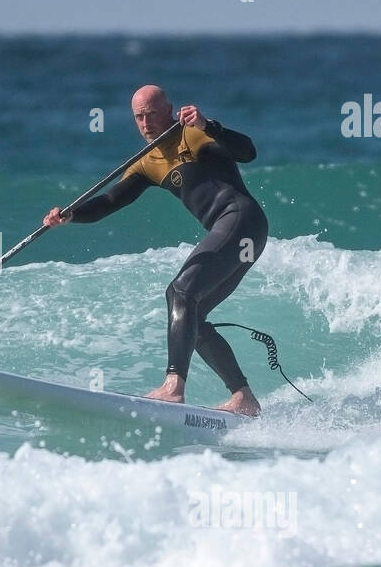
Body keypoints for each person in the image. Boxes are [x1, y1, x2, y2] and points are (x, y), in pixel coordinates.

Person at [43, 85, 267, 416]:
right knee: (193, 314)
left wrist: (210, 126)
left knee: (180, 292)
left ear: (169, 110)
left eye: (151, 114)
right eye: (139, 116)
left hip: (242, 220)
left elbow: (247, 151)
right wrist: (72, 215)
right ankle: (244, 398)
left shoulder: (193, 133)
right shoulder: (147, 163)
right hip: (239, 234)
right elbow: (110, 201)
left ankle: (173, 386)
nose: (146, 122)